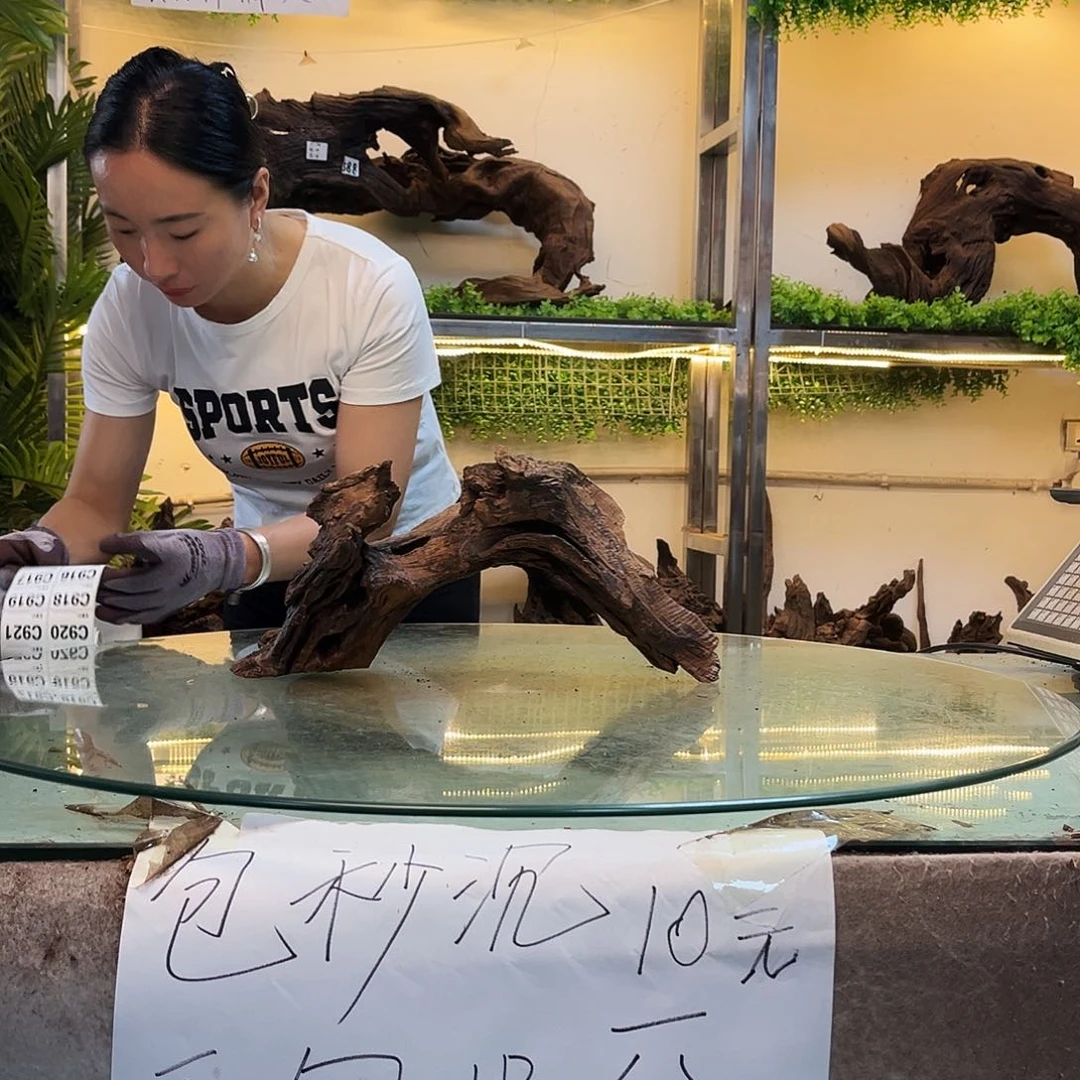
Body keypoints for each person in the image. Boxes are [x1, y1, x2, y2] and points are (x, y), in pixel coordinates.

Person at [0, 47, 478, 632]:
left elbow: (368, 513)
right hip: (267, 567)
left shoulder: (365, 284)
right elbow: (95, 504)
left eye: (182, 231)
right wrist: (43, 550)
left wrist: (225, 557)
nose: (153, 265)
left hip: (408, 566)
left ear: (255, 197)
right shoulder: (129, 308)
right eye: (122, 228)